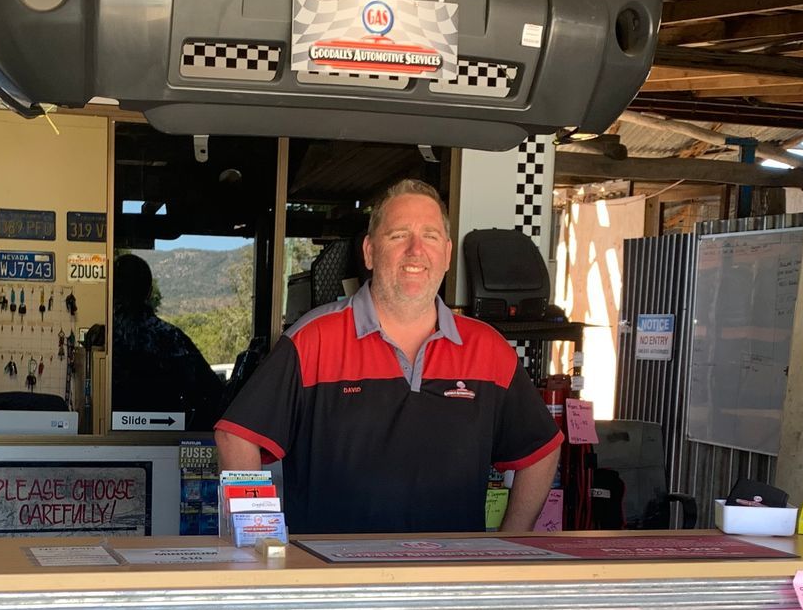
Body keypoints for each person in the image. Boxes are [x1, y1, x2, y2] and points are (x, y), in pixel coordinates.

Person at [214, 179, 561, 535]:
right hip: (335, 584)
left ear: (446, 252)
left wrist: (508, 544)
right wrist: (257, 539)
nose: (415, 250)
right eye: (398, 236)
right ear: (369, 252)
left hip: (448, 582)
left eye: (429, 236)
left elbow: (542, 448)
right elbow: (237, 436)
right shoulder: (314, 338)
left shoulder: (487, 348)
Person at [111, 251, 225, 429]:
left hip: (111, 436)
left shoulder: (101, 339)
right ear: (148, 292)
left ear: (112, 291)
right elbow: (211, 390)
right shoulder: (170, 337)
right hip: (166, 435)